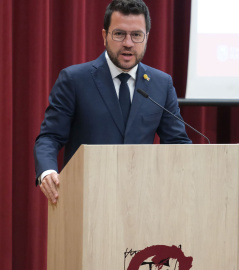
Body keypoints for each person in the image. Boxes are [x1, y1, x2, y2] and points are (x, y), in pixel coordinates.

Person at [34, 0, 191, 204]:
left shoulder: (161, 84)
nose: (128, 43)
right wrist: (47, 171)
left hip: (143, 202)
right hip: (86, 200)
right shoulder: (74, 80)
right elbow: (50, 137)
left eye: (136, 35)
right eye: (119, 34)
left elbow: (178, 144)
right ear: (104, 36)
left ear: (146, 38)